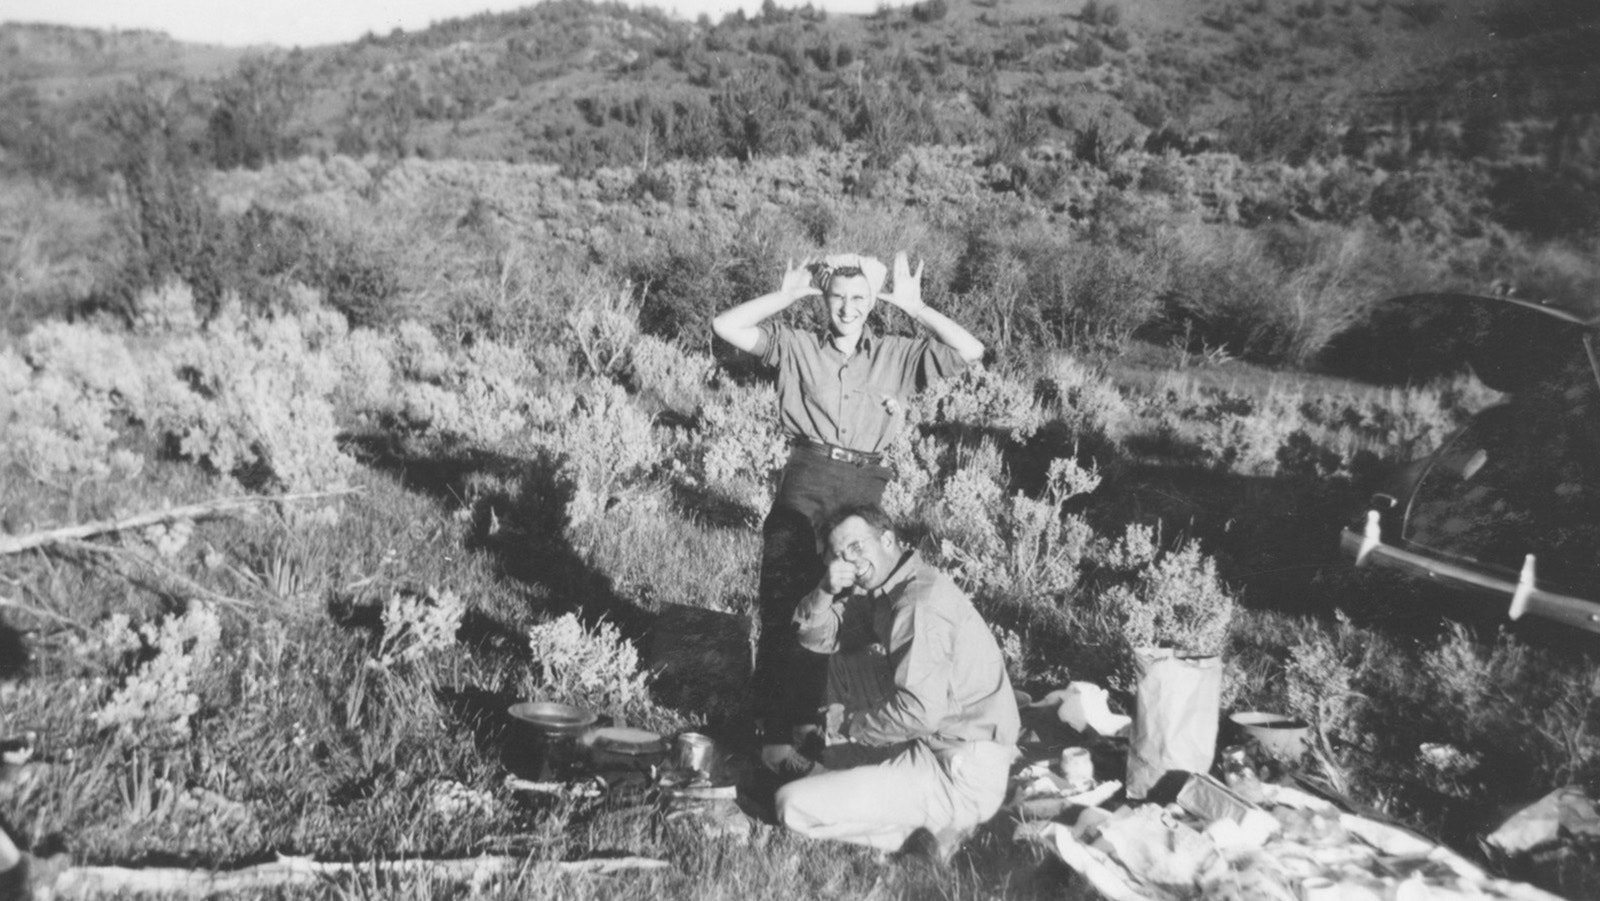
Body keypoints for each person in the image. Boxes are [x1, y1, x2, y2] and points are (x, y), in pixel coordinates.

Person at [711, 252, 985, 773]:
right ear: (825, 300)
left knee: (845, 609)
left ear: (872, 305)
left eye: (859, 299)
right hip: (808, 476)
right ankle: (773, 730)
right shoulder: (796, 346)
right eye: (837, 297)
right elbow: (726, 326)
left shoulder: (897, 354)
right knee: (783, 604)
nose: (848, 308)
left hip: (864, 489)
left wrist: (915, 305)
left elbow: (969, 349)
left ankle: (816, 726)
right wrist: (789, 294)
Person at [774, 504, 1020, 859]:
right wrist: (826, 590)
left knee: (791, 804)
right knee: (845, 659)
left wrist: (847, 724)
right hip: (936, 742)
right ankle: (868, 776)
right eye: (839, 556)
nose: (851, 563)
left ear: (887, 539)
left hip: (959, 773)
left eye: (857, 548)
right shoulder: (893, 586)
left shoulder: (918, 604)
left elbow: (920, 713)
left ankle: (930, 831)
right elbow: (820, 637)